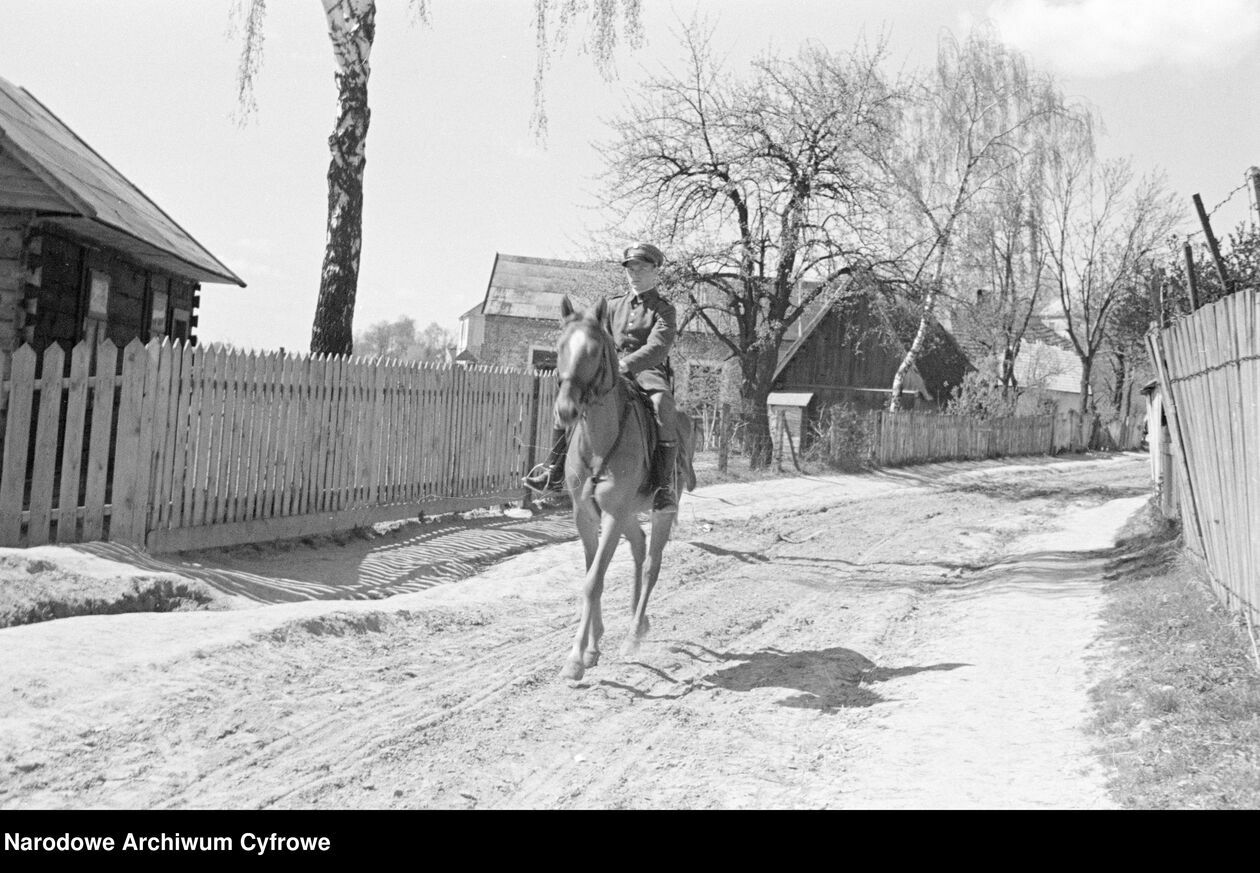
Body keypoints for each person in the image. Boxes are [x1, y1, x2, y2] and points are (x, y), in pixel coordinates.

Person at [523, 242, 681, 510]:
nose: (635, 273)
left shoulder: (664, 309)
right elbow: (598, 340)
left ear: (655, 271)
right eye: (631, 267)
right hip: (609, 371)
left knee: (662, 404)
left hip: (647, 372)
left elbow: (658, 347)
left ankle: (663, 486)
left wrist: (627, 364)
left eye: (642, 267)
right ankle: (554, 469)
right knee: (569, 400)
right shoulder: (612, 306)